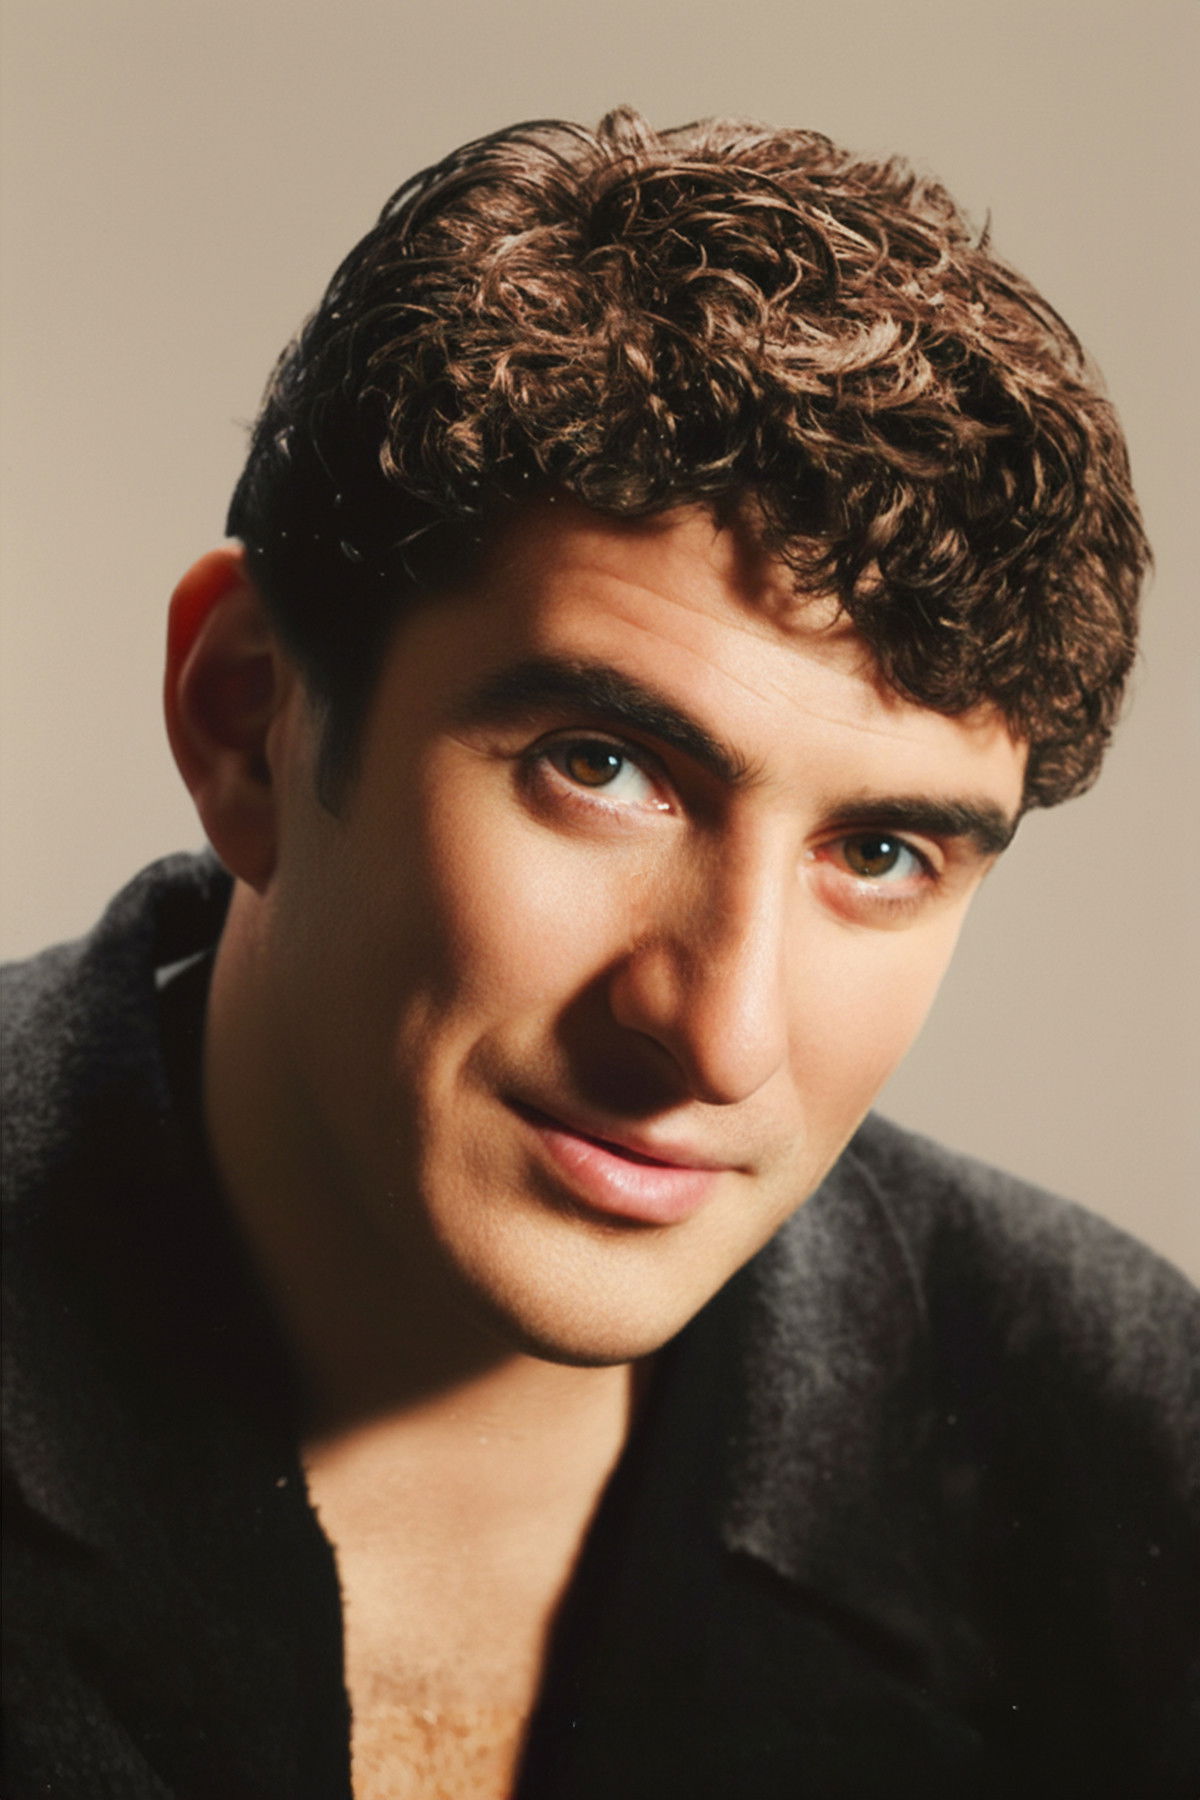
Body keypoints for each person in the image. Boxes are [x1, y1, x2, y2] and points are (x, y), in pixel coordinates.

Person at [3, 106, 1196, 1800]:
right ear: (249, 722)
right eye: (605, 768)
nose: (720, 1035)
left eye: (879, 854)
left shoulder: (1120, 1438)